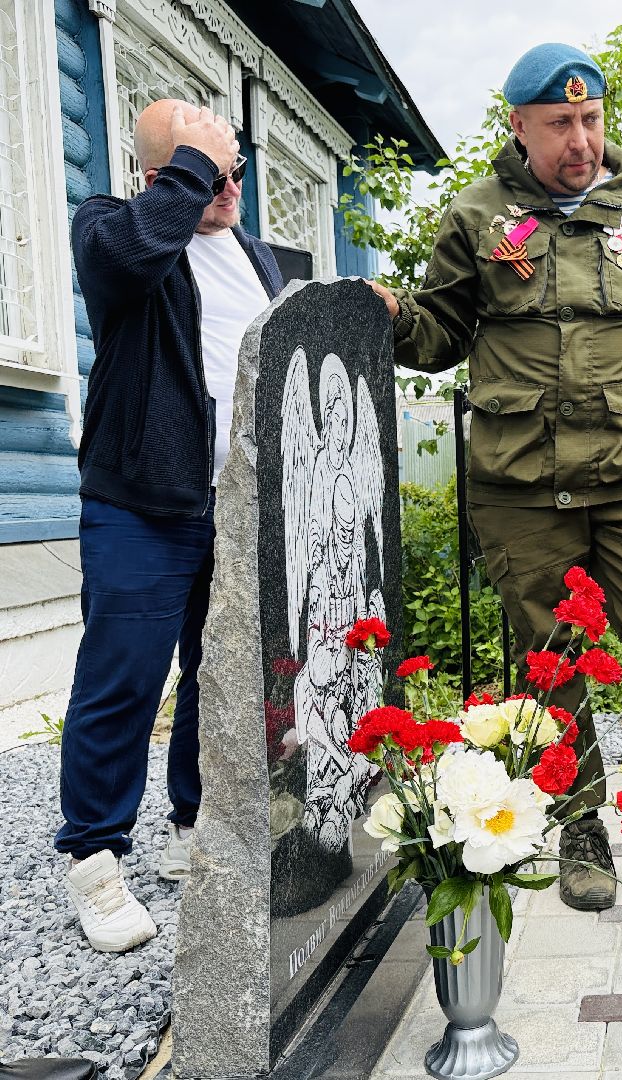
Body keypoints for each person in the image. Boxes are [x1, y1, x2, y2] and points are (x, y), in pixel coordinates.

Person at [368, 44, 622, 913]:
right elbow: (440, 333)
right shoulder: (477, 217)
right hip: (522, 488)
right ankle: (580, 826)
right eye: (560, 124)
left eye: (591, 120)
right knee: (550, 664)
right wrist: (396, 316)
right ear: (518, 125)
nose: (580, 139)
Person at [63, 100, 280, 952]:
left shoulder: (255, 254)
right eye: (205, 171)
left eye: (232, 172)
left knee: (214, 677)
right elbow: (123, 267)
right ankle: (94, 859)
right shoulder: (112, 228)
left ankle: (191, 825)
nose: (227, 187)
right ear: (159, 178)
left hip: (232, 506)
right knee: (122, 678)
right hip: (140, 506)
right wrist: (192, 169)